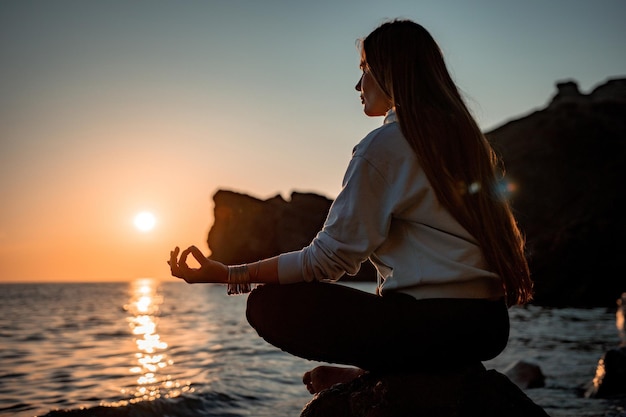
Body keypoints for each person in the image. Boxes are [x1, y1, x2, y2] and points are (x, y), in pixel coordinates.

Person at [169, 18, 534, 395]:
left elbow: (326, 260)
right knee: (393, 313)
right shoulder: (469, 145)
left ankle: (378, 373)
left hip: (432, 328)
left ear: (391, 73)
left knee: (269, 306)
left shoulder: (385, 146)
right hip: (487, 328)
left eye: (365, 70)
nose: (358, 85)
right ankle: (373, 372)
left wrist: (230, 274)